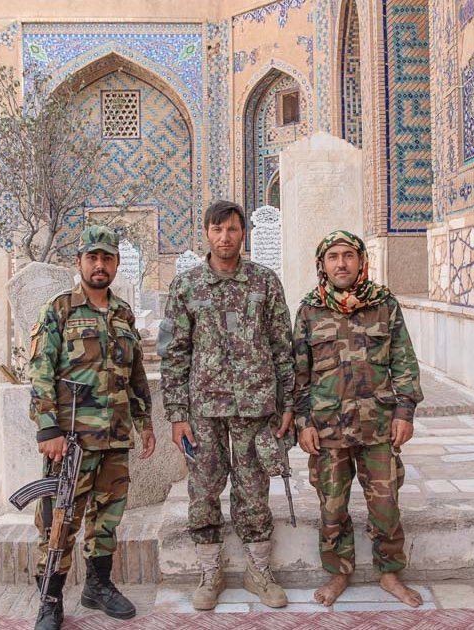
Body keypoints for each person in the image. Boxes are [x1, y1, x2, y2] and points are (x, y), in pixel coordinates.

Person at [158, 200, 294, 610]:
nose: (225, 237)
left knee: (254, 490)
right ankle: (209, 572)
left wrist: (287, 403)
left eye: (233, 229)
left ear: (243, 234)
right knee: (203, 490)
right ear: (206, 234)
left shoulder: (265, 283)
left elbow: (282, 346)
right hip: (204, 412)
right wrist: (177, 415)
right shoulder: (186, 287)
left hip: (256, 409)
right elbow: (174, 354)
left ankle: (258, 572)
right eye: (217, 230)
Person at [27, 225, 156, 629]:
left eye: (107, 258)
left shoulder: (123, 314)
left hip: (115, 437)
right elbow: (40, 371)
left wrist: (144, 423)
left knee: (106, 519)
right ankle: (50, 599)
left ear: (116, 263)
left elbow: (136, 374)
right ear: (79, 261)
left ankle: (98, 587)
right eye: (92, 258)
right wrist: (47, 429)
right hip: (70, 441)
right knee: (59, 520)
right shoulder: (60, 309)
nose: (100, 266)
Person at [292, 229, 424, 608]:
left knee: (386, 507)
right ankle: (337, 573)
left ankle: (389, 572)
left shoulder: (384, 304)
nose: (341, 264)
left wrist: (405, 412)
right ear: (322, 265)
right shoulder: (309, 310)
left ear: (361, 261)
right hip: (327, 429)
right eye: (333, 257)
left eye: (348, 256)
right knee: (332, 507)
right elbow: (298, 374)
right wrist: (303, 423)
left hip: (378, 426)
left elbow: (403, 361)